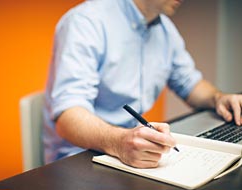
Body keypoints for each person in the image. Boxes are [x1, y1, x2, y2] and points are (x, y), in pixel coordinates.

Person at [43, 0, 242, 168]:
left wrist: (218, 98)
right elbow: (67, 117)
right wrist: (118, 143)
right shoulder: (86, 22)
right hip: (82, 158)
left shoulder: (165, 30)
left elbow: (189, 83)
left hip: (131, 151)